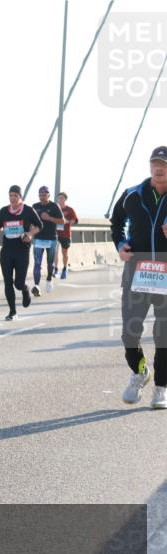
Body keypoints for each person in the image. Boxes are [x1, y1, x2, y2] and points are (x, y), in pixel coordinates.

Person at [110, 145, 167, 410]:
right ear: (149, 166)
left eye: (164, 165)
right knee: (129, 334)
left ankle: (161, 388)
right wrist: (120, 244)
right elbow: (116, 223)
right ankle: (140, 372)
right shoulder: (132, 195)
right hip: (137, 274)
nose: (159, 168)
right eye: (155, 163)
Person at [0, 185, 41, 320]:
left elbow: (39, 225)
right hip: (7, 251)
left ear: (20, 197)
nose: (13, 198)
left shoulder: (28, 211)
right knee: (7, 281)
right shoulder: (4, 211)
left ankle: (25, 289)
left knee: (18, 283)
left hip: (22, 251)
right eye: (11, 195)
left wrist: (30, 234)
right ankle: (12, 312)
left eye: (15, 196)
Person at [30, 186, 64, 296]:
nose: (42, 197)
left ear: (48, 195)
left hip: (51, 239)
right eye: (40, 195)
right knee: (37, 263)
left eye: (44, 195)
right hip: (38, 238)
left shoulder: (54, 206)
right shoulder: (35, 206)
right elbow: (30, 221)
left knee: (50, 263)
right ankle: (36, 286)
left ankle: (49, 279)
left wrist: (49, 218)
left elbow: (62, 221)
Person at [57, 191, 77, 279]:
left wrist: (69, 221)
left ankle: (64, 268)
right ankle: (55, 269)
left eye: (62, 198)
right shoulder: (55, 208)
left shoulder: (69, 209)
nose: (60, 200)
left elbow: (75, 220)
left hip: (65, 234)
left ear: (65, 199)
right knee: (54, 253)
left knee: (64, 253)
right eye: (59, 198)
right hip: (55, 234)